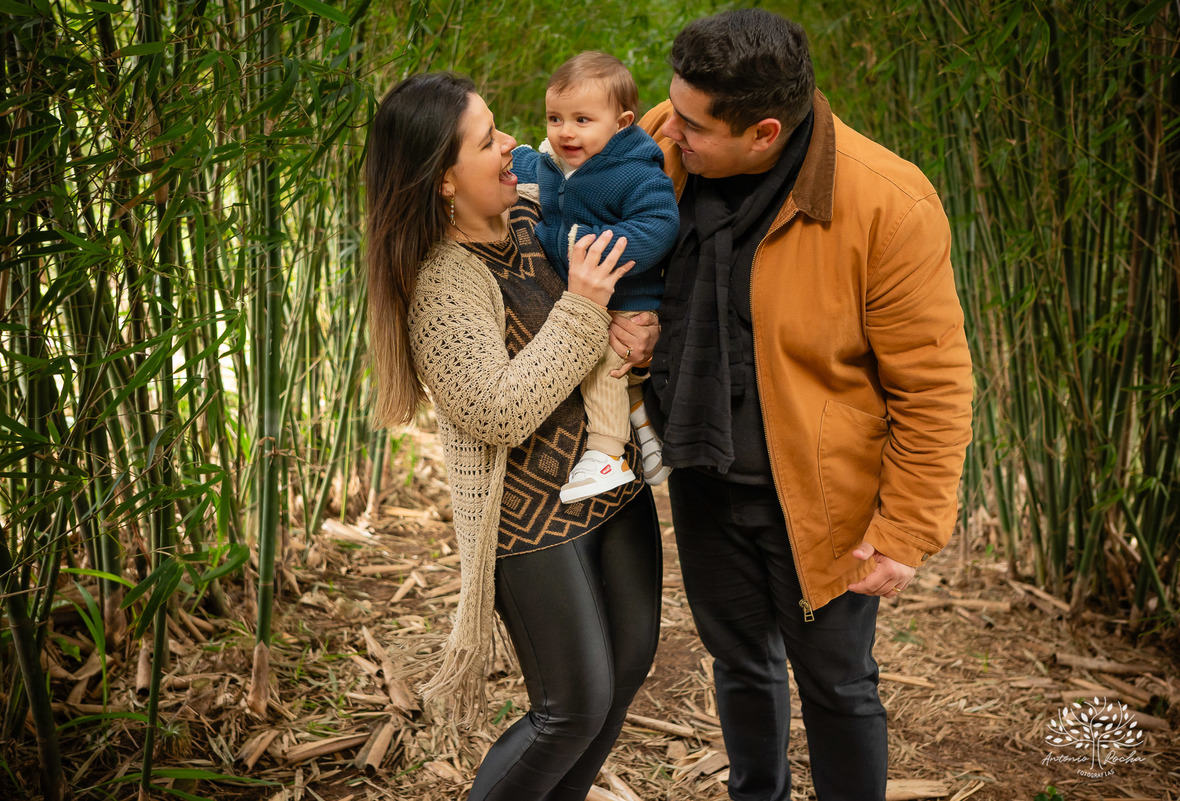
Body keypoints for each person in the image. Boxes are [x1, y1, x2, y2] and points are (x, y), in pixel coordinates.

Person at [638, 10, 974, 801]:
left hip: (820, 501)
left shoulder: (887, 202)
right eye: (672, 108)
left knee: (837, 683)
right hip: (702, 469)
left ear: (764, 133)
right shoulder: (663, 144)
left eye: (692, 124)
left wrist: (906, 529)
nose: (669, 130)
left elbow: (933, 384)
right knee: (739, 663)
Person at [364, 71, 663, 801]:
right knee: (571, 708)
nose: (510, 144)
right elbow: (494, 410)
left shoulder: (539, 208)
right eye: (486, 140)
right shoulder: (442, 281)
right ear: (444, 179)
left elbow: (628, 258)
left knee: (623, 673)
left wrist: (641, 331)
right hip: (530, 526)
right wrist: (584, 306)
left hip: (611, 488)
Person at [512, 51, 679, 503]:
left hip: (629, 298)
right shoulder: (558, 162)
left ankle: (607, 454)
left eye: (582, 119)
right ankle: (646, 431)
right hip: (590, 299)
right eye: (555, 118)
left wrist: (588, 246)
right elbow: (529, 166)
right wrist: (506, 156)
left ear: (621, 123)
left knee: (603, 362)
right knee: (615, 371)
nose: (565, 131)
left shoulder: (635, 172)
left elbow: (659, 224)